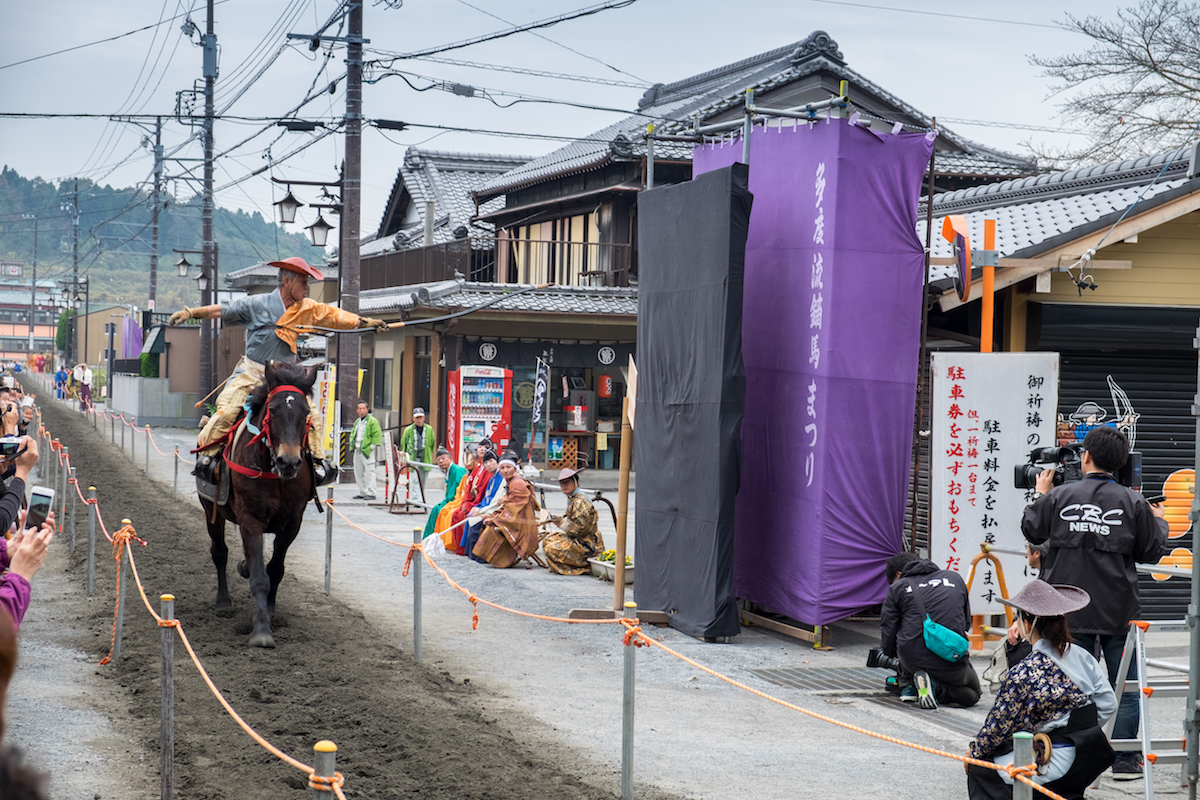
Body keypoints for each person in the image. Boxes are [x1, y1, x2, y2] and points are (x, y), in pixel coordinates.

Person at [1021, 425, 1167, 779]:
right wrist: (1158, 522)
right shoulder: (1133, 502)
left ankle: (1066, 753)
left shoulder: (1060, 497)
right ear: (1121, 464)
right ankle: (1124, 760)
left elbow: (1032, 530)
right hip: (1118, 609)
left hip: (1067, 609)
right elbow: (1151, 549)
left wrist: (1041, 493)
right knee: (1126, 686)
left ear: (1084, 456)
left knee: (1065, 684)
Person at [168, 257, 386, 483]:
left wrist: (366, 322)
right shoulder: (258, 304)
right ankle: (207, 458)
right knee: (226, 411)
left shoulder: (307, 309)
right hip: (252, 372)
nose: (307, 286)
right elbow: (224, 310)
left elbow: (335, 316)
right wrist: (192, 313)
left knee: (312, 416)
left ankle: (319, 462)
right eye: (303, 281)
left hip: (285, 378)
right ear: (287, 281)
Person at [966, 581, 1116, 800]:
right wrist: (1081, 733)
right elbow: (1108, 704)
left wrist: (974, 752)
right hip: (1087, 756)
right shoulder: (1083, 656)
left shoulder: (1025, 671)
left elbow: (997, 727)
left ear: (1028, 623)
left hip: (1051, 760)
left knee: (980, 768)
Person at [880, 552, 981, 710]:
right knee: (973, 693)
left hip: (912, 660)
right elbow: (965, 623)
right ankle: (935, 686)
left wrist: (896, 658)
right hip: (951, 659)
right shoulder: (954, 578)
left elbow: (889, 634)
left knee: (907, 638)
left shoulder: (898, 587)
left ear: (899, 574)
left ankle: (911, 683)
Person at [474, 454, 540, 568]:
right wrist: (493, 515)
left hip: (522, 522)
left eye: (508, 467)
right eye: (502, 468)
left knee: (491, 529)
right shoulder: (512, 481)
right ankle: (490, 558)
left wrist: (494, 519)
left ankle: (500, 560)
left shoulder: (518, 483)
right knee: (484, 522)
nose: (505, 471)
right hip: (515, 517)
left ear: (515, 468)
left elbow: (514, 507)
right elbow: (508, 505)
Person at [541, 467, 604, 575]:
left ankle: (583, 567)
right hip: (579, 539)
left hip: (586, 544)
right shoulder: (574, 498)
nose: (564, 485)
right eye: (562, 483)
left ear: (576, 482)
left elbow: (579, 530)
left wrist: (561, 524)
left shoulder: (580, 501)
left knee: (551, 549)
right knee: (548, 540)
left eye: (567, 482)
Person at [451, 439, 493, 555]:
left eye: (486, 447)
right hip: (471, 502)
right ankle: (458, 547)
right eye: (480, 447)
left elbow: (484, 491)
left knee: (460, 514)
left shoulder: (488, 471)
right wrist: (465, 502)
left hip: (479, 503)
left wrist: (471, 505)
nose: (482, 449)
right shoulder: (478, 468)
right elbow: (468, 489)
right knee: (455, 514)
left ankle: (465, 548)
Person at [462, 450, 502, 561]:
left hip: (493, 508)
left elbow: (495, 500)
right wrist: (478, 506)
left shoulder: (501, 477)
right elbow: (486, 496)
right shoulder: (492, 478)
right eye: (486, 462)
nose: (488, 464)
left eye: (491, 461)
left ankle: (477, 554)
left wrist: (482, 510)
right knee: (470, 515)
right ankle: (469, 552)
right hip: (486, 505)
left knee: (476, 521)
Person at [423, 447, 467, 540]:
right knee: (435, 510)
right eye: (438, 460)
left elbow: (461, 488)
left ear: (450, 458)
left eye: (443, 458)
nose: (441, 461)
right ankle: (431, 538)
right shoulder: (449, 471)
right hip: (450, 499)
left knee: (441, 511)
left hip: (457, 500)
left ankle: (438, 538)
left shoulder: (457, 470)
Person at [350, 401, 383, 501]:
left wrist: (372, 447)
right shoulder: (357, 421)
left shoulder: (372, 421)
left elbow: (377, 435)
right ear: (357, 410)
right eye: (360, 409)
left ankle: (371, 492)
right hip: (358, 449)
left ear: (367, 410)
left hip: (367, 450)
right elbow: (353, 434)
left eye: (364, 408)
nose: (362, 411)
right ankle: (362, 491)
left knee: (370, 471)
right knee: (358, 472)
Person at [399, 408, 436, 494]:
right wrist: (404, 459)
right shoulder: (408, 430)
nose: (419, 420)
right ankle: (417, 499)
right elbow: (403, 444)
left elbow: (432, 443)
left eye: (420, 417)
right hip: (413, 458)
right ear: (413, 418)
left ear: (424, 418)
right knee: (414, 480)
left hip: (425, 457)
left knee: (423, 480)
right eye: (417, 417)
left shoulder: (429, 429)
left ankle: (421, 497)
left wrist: (429, 453)